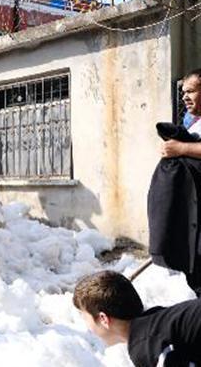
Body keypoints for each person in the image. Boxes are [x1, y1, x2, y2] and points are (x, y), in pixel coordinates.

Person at [73, 271, 201, 367]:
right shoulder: (158, 321)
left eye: (84, 317)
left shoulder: (146, 345)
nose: (87, 327)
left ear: (103, 319)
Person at [155, 69, 201, 296]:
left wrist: (182, 148)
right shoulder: (192, 122)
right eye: (183, 92)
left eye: (191, 91)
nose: (184, 97)